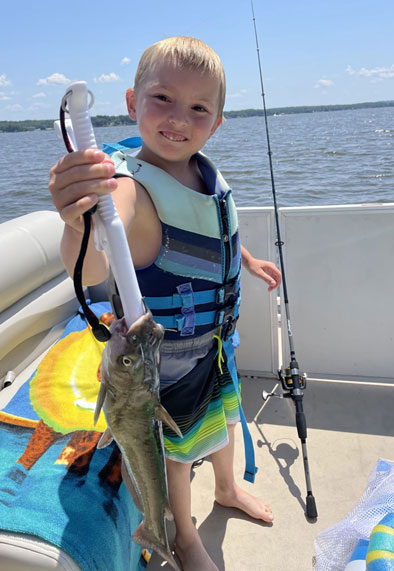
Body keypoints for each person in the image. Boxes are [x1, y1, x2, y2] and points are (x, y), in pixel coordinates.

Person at [49, 36, 280, 571]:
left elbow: (207, 231)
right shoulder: (127, 186)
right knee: (175, 455)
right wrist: (76, 221)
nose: (179, 119)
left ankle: (227, 486)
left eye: (199, 108)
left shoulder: (201, 173)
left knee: (223, 416)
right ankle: (183, 534)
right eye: (163, 99)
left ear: (217, 122)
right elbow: (94, 261)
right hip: (164, 364)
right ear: (132, 103)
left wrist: (244, 259)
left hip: (217, 340)